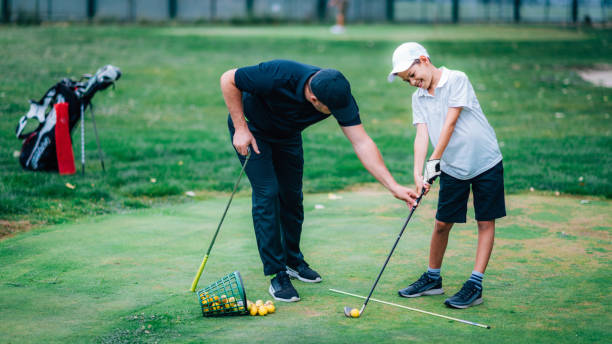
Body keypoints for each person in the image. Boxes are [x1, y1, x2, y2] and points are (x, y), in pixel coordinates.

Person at [220, 59, 418, 302]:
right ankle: (276, 273)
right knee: (268, 192)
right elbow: (228, 79)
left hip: (287, 135)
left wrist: (393, 186)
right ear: (314, 99)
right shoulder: (278, 75)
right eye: (330, 111)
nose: (336, 114)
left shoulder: (337, 95)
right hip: (253, 129)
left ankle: (292, 261)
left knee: (292, 196)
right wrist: (240, 128)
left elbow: (361, 141)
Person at [387, 43, 505, 309]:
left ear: (424, 59)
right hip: (453, 166)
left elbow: (450, 124)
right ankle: (433, 278)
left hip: (485, 160)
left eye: (413, 75)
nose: (414, 82)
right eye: (408, 81)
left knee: (485, 221)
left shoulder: (456, 79)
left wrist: (433, 165)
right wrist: (419, 174)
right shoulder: (418, 98)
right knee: (441, 224)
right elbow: (422, 135)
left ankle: (475, 283)